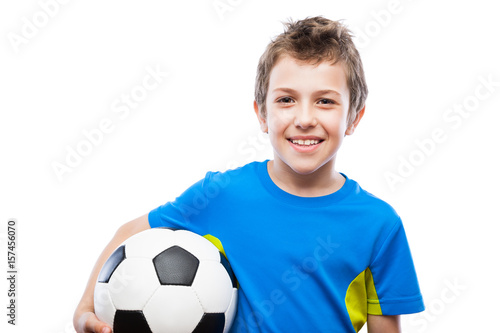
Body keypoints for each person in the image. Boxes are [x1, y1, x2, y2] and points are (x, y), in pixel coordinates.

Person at [74, 16, 424, 333]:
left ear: (354, 117)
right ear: (261, 115)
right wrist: (85, 310)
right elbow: (128, 233)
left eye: (325, 101)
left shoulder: (379, 224)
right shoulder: (222, 195)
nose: (304, 118)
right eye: (286, 100)